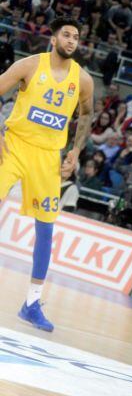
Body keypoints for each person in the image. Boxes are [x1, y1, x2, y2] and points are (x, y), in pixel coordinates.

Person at [0, 17, 94, 332]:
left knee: (46, 229)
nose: (71, 40)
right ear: (53, 39)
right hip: (14, 145)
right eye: (66, 35)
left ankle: (31, 303)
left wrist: (76, 151)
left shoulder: (83, 79)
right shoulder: (29, 65)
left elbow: (87, 113)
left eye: (76, 36)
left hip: (48, 157)